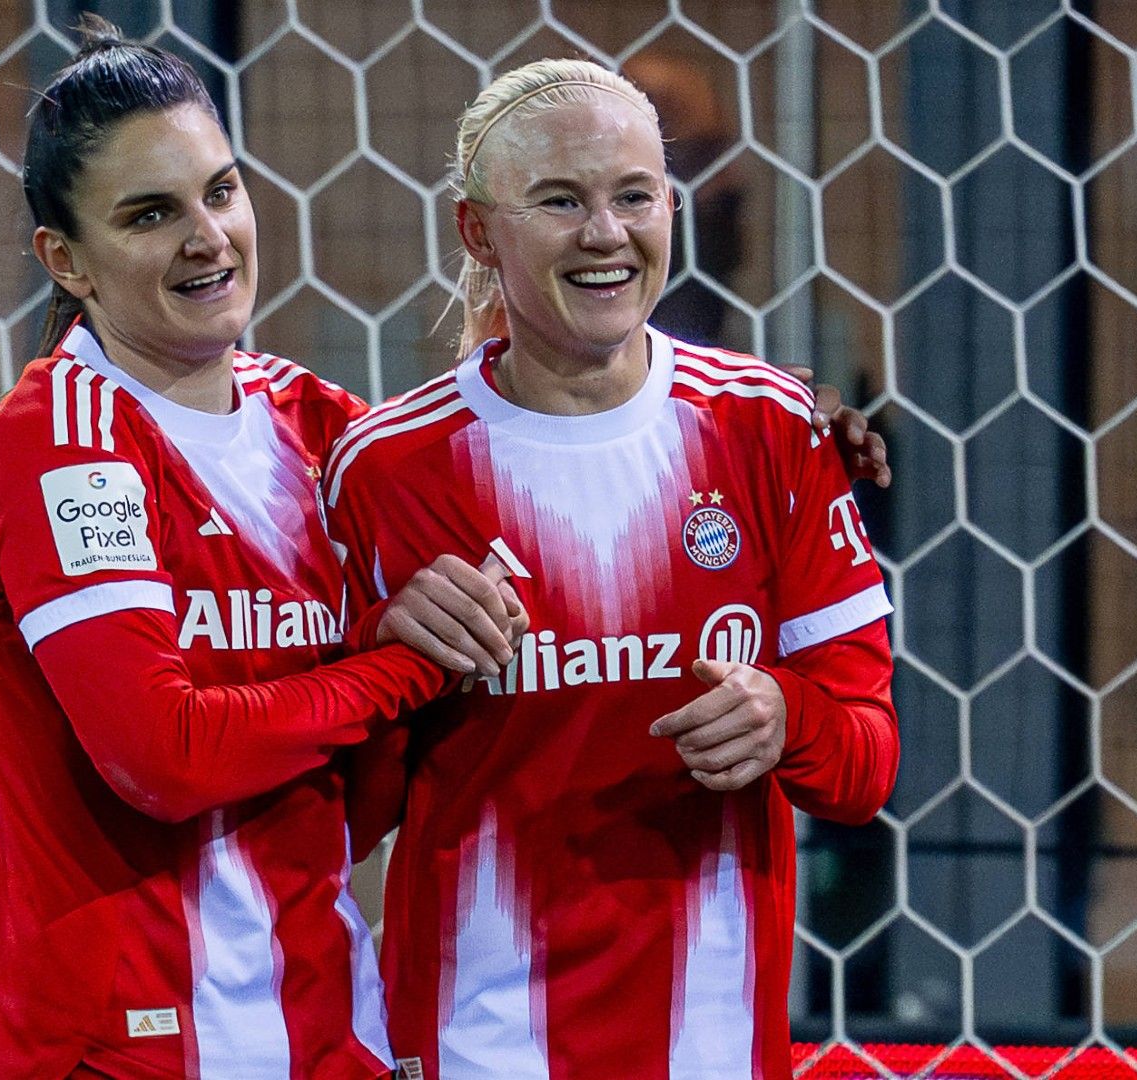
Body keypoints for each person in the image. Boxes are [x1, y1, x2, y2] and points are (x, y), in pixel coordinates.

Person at [0, 18, 527, 1078]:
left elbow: (352, 806)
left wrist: (780, 441)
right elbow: (160, 756)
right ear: (64, 261)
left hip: (320, 1035)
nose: (207, 236)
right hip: (111, 1055)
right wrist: (398, 667)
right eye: (149, 214)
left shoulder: (322, 431)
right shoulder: (58, 446)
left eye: (220, 191)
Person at [323, 59, 899, 1079]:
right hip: (475, 1047)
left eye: (634, 195)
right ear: (477, 232)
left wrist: (787, 718)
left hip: (714, 1049)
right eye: (560, 201)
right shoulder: (387, 471)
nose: (606, 233)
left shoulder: (770, 430)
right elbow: (342, 811)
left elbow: (864, 766)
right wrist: (382, 652)